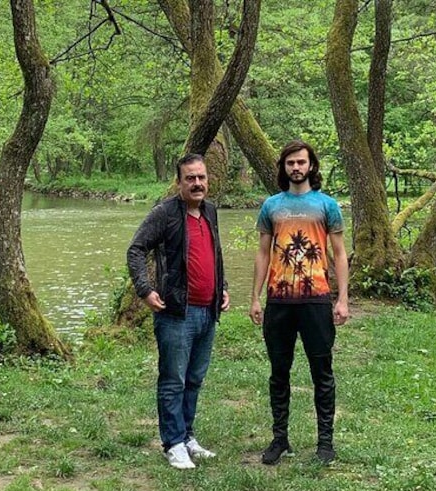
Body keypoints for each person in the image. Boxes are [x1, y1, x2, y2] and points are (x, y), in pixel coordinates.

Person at [127, 153, 230, 470]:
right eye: (190, 178)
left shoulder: (210, 211)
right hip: (176, 312)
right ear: (179, 182)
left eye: (201, 177)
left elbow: (213, 252)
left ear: (207, 179)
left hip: (207, 311)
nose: (197, 183)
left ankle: (187, 437)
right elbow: (136, 249)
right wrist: (145, 289)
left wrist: (222, 286)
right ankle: (173, 443)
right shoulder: (165, 213)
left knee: (194, 378)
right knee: (173, 379)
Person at [250, 140, 349, 465]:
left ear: (311, 166)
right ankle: (280, 440)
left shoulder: (326, 205)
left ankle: (325, 443)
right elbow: (263, 253)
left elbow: (338, 254)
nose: (296, 167)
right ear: (284, 167)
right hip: (278, 302)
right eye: (290, 162)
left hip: (317, 301)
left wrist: (343, 298)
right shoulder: (271, 206)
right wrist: (255, 296)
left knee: (322, 371)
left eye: (301, 162)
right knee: (279, 373)